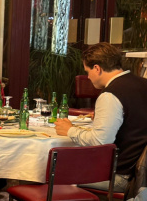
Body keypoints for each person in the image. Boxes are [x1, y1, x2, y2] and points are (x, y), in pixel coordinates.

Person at [56, 42, 147, 192]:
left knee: (55, 169)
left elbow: (100, 141)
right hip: (141, 174)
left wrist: (69, 130)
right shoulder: (143, 83)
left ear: (97, 68)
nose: (88, 76)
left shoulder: (111, 95)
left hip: (120, 176)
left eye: (87, 71)